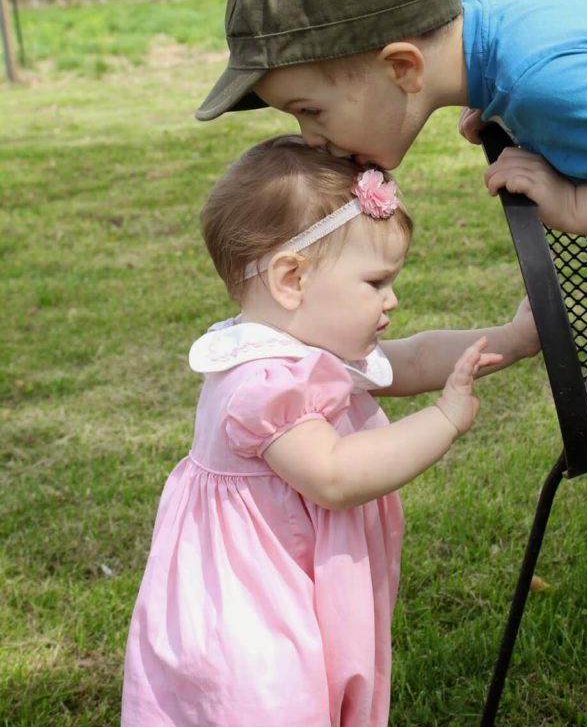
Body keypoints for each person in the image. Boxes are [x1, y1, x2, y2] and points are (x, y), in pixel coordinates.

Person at [193, 0, 587, 466]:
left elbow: (575, 43)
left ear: (402, 68)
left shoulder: (546, 78)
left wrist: (576, 202)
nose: (309, 138)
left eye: (311, 111)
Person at [121, 135, 539, 727]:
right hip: (255, 615)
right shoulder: (260, 383)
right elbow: (336, 476)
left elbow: (416, 358)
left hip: (296, 586)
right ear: (292, 279)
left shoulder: (306, 346)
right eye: (375, 283)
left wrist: (513, 338)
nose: (391, 300)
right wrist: (443, 419)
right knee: (281, 708)